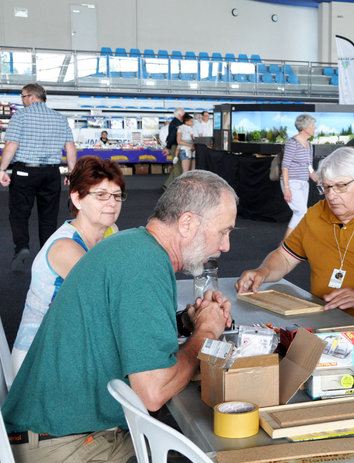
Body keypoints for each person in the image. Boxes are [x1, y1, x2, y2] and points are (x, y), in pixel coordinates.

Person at [2, 170, 237, 463]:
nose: (225, 246)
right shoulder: (144, 265)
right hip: (65, 443)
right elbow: (153, 390)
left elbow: (118, 325)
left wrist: (188, 321)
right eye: (223, 231)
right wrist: (206, 333)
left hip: (56, 429)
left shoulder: (134, 246)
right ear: (187, 223)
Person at [236, 147, 354, 349]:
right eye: (326, 187)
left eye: (341, 186)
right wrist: (262, 272)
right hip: (327, 325)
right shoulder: (317, 214)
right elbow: (284, 257)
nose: (331, 196)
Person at [11, 155, 125, 374]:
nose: (112, 203)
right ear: (77, 199)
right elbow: (110, 300)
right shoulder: (65, 247)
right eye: (101, 195)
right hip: (40, 358)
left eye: (117, 196)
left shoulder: (111, 231)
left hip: (76, 342)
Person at [0, 83, 77, 271]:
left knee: (19, 212)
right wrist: (71, 173)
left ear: (32, 97)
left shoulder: (20, 116)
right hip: (51, 173)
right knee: (48, 216)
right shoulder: (60, 118)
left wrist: (2, 168)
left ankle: (22, 247)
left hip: (25, 171)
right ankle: (47, 254)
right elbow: (70, 147)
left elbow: (11, 144)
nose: (22, 100)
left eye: (23, 96)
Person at [281, 114, 319, 238]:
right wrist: (287, 188)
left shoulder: (309, 145)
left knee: (302, 213)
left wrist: (319, 182)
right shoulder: (293, 143)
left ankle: (296, 242)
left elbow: (309, 167)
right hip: (291, 183)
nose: (314, 127)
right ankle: (285, 243)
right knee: (301, 212)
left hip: (304, 183)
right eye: (312, 125)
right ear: (304, 127)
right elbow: (285, 166)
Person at [161, 107, 185, 190]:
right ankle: (174, 186)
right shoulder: (176, 123)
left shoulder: (176, 122)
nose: (185, 114)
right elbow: (171, 137)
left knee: (178, 166)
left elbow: (169, 136)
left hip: (176, 146)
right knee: (178, 167)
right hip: (175, 146)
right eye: (183, 113)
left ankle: (167, 185)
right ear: (179, 114)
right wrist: (168, 147)